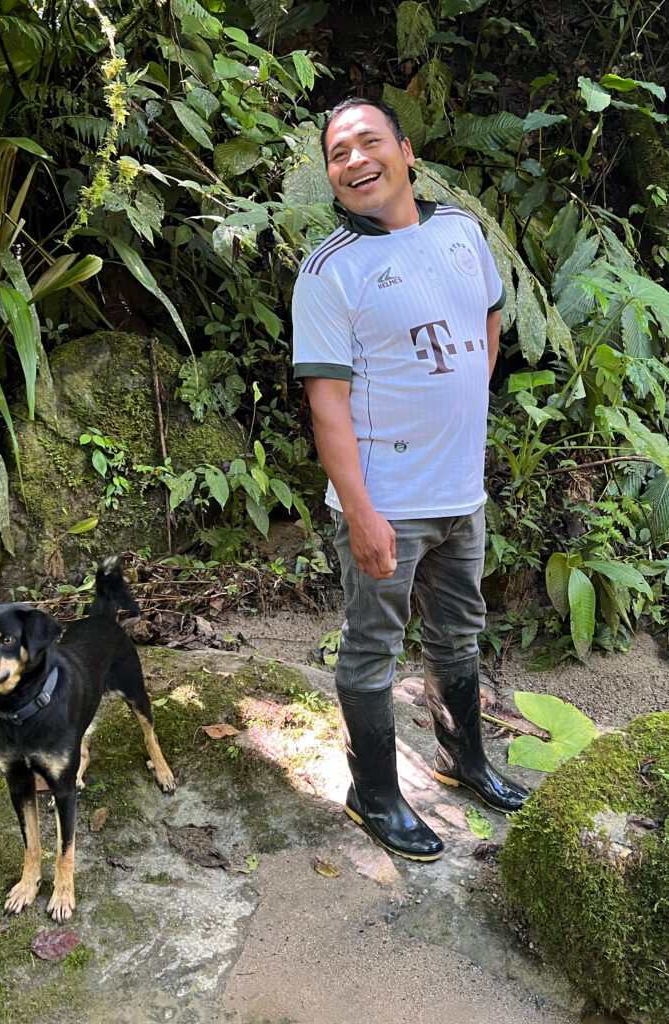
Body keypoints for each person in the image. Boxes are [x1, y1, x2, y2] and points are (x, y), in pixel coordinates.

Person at [292, 96, 528, 861]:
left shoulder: (461, 233)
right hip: (387, 503)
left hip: (461, 495)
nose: (355, 160)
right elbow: (326, 405)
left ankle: (463, 760)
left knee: (459, 636)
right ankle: (375, 795)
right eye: (338, 154)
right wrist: (360, 513)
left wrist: (463, 407)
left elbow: (489, 318)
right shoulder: (330, 271)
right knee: (371, 650)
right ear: (330, 177)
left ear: (405, 151)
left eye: (368, 143)